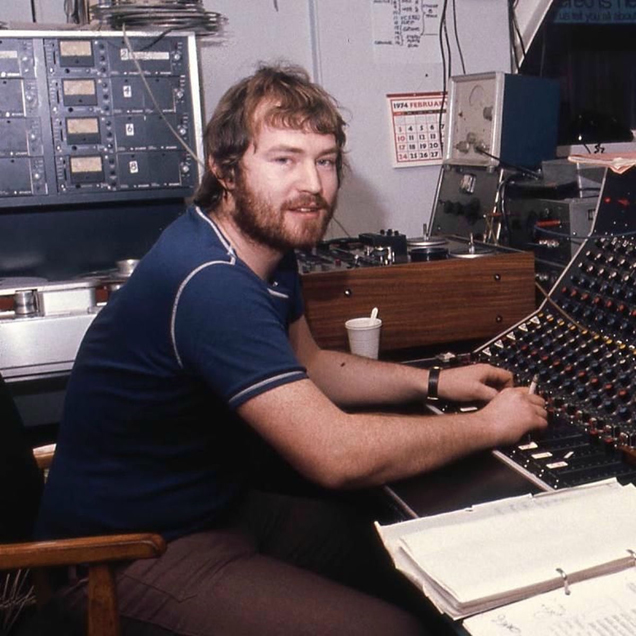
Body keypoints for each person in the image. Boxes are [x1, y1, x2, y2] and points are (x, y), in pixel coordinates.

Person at [36, 63, 547, 635]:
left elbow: (312, 364)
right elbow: (336, 455)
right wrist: (488, 426)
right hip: (126, 555)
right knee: (393, 631)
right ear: (225, 170)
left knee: (413, 561)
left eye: (325, 161)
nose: (313, 185)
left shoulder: (263, 249)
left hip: (211, 507)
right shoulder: (210, 281)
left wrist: (433, 382)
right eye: (284, 159)